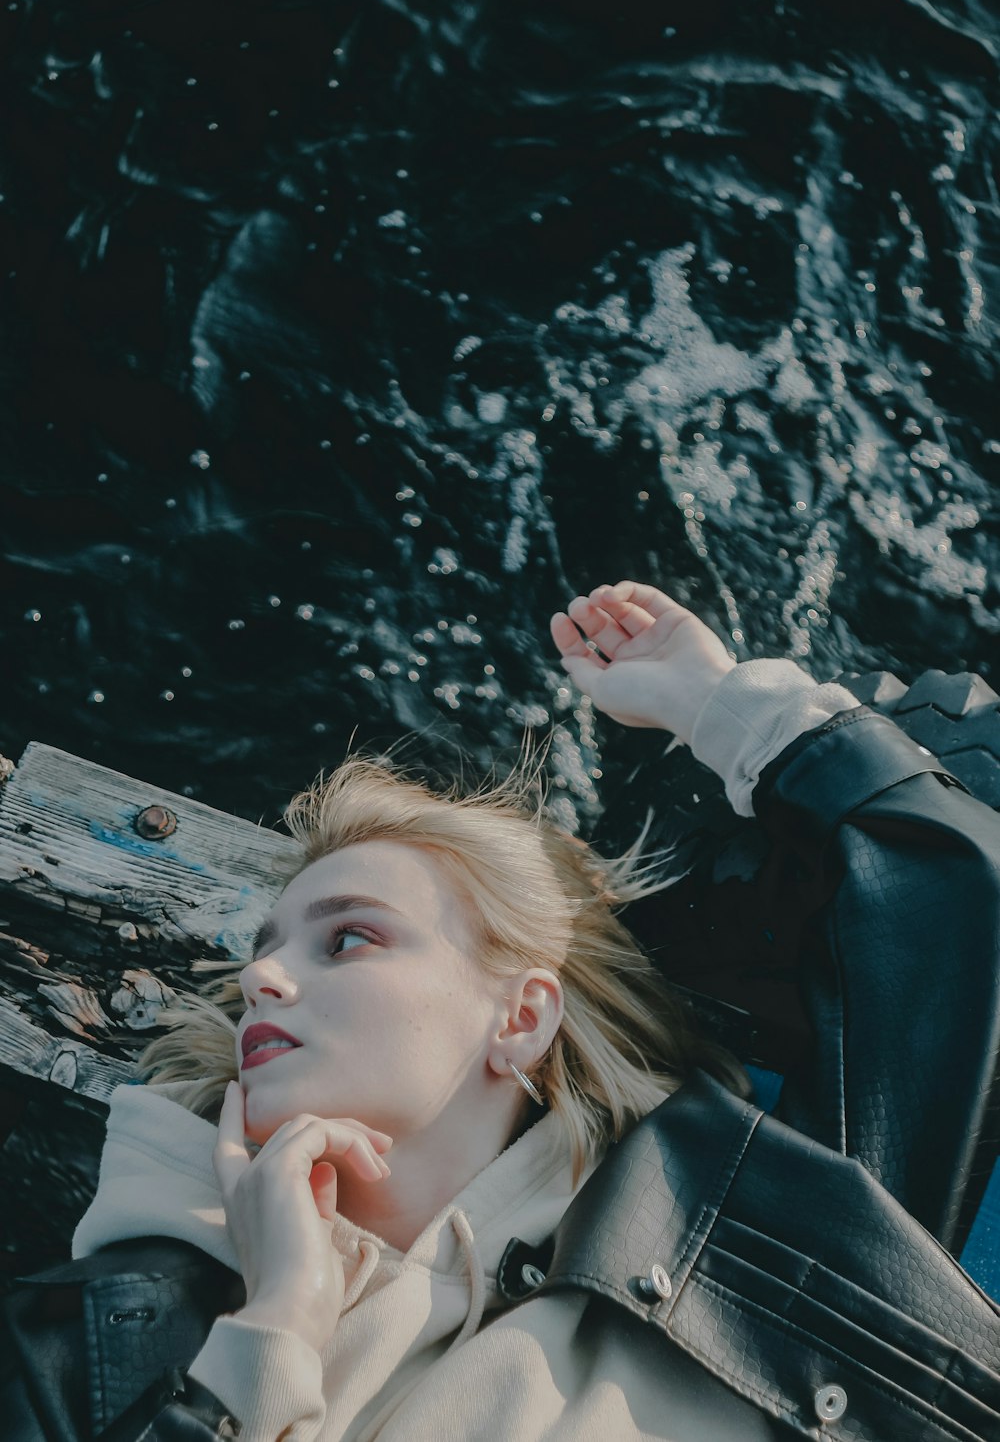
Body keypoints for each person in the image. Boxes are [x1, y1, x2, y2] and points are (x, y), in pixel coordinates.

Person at [3, 580, 1000, 1442]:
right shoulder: (93, 1336)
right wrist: (276, 1334)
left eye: (347, 938)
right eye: (267, 949)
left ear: (520, 1018)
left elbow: (952, 916)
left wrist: (711, 699)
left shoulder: (742, 1234)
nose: (261, 980)